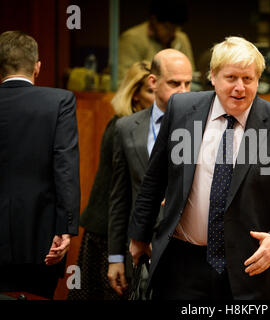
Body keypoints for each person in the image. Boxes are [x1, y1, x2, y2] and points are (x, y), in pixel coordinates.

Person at [128, 36, 270, 300]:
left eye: (248, 79)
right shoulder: (182, 109)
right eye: (231, 78)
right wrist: (138, 238)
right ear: (213, 76)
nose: (240, 88)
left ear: (258, 80)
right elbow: (154, 179)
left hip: (248, 268)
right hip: (181, 265)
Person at [0, 31, 80, 299]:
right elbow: (65, 168)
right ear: (37, 66)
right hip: (42, 236)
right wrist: (66, 228)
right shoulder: (59, 101)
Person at [108, 49, 192, 297]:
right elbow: (119, 197)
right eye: (175, 83)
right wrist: (115, 257)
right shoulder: (126, 128)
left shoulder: (200, 126)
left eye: (188, 83)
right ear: (154, 82)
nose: (184, 91)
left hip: (185, 246)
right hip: (141, 246)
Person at [67, 61, 154, 300]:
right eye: (150, 91)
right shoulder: (122, 126)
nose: (159, 97)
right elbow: (118, 190)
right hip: (108, 233)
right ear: (135, 94)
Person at [118, 0, 195, 82]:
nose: (173, 33)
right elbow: (124, 79)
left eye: (175, 28)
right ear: (153, 20)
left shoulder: (180, 38)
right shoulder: (132, 38)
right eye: (167, 27)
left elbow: (191, 75)